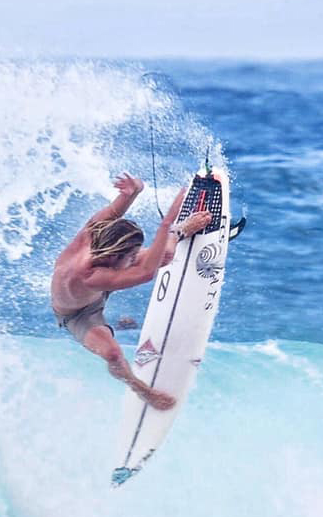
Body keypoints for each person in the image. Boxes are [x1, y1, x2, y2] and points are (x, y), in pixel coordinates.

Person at [51, 173, 211, 410]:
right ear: (116, 256)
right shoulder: (89, 274)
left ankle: (180, 232)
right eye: (131, 257)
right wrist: (168, 226)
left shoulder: (97, 230)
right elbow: (147, 272)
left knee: (164, 256)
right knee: (113, 353)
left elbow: (115, 212)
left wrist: (133, 191)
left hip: (99, 283)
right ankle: (141, 389)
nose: (135, 258)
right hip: (77, 314)